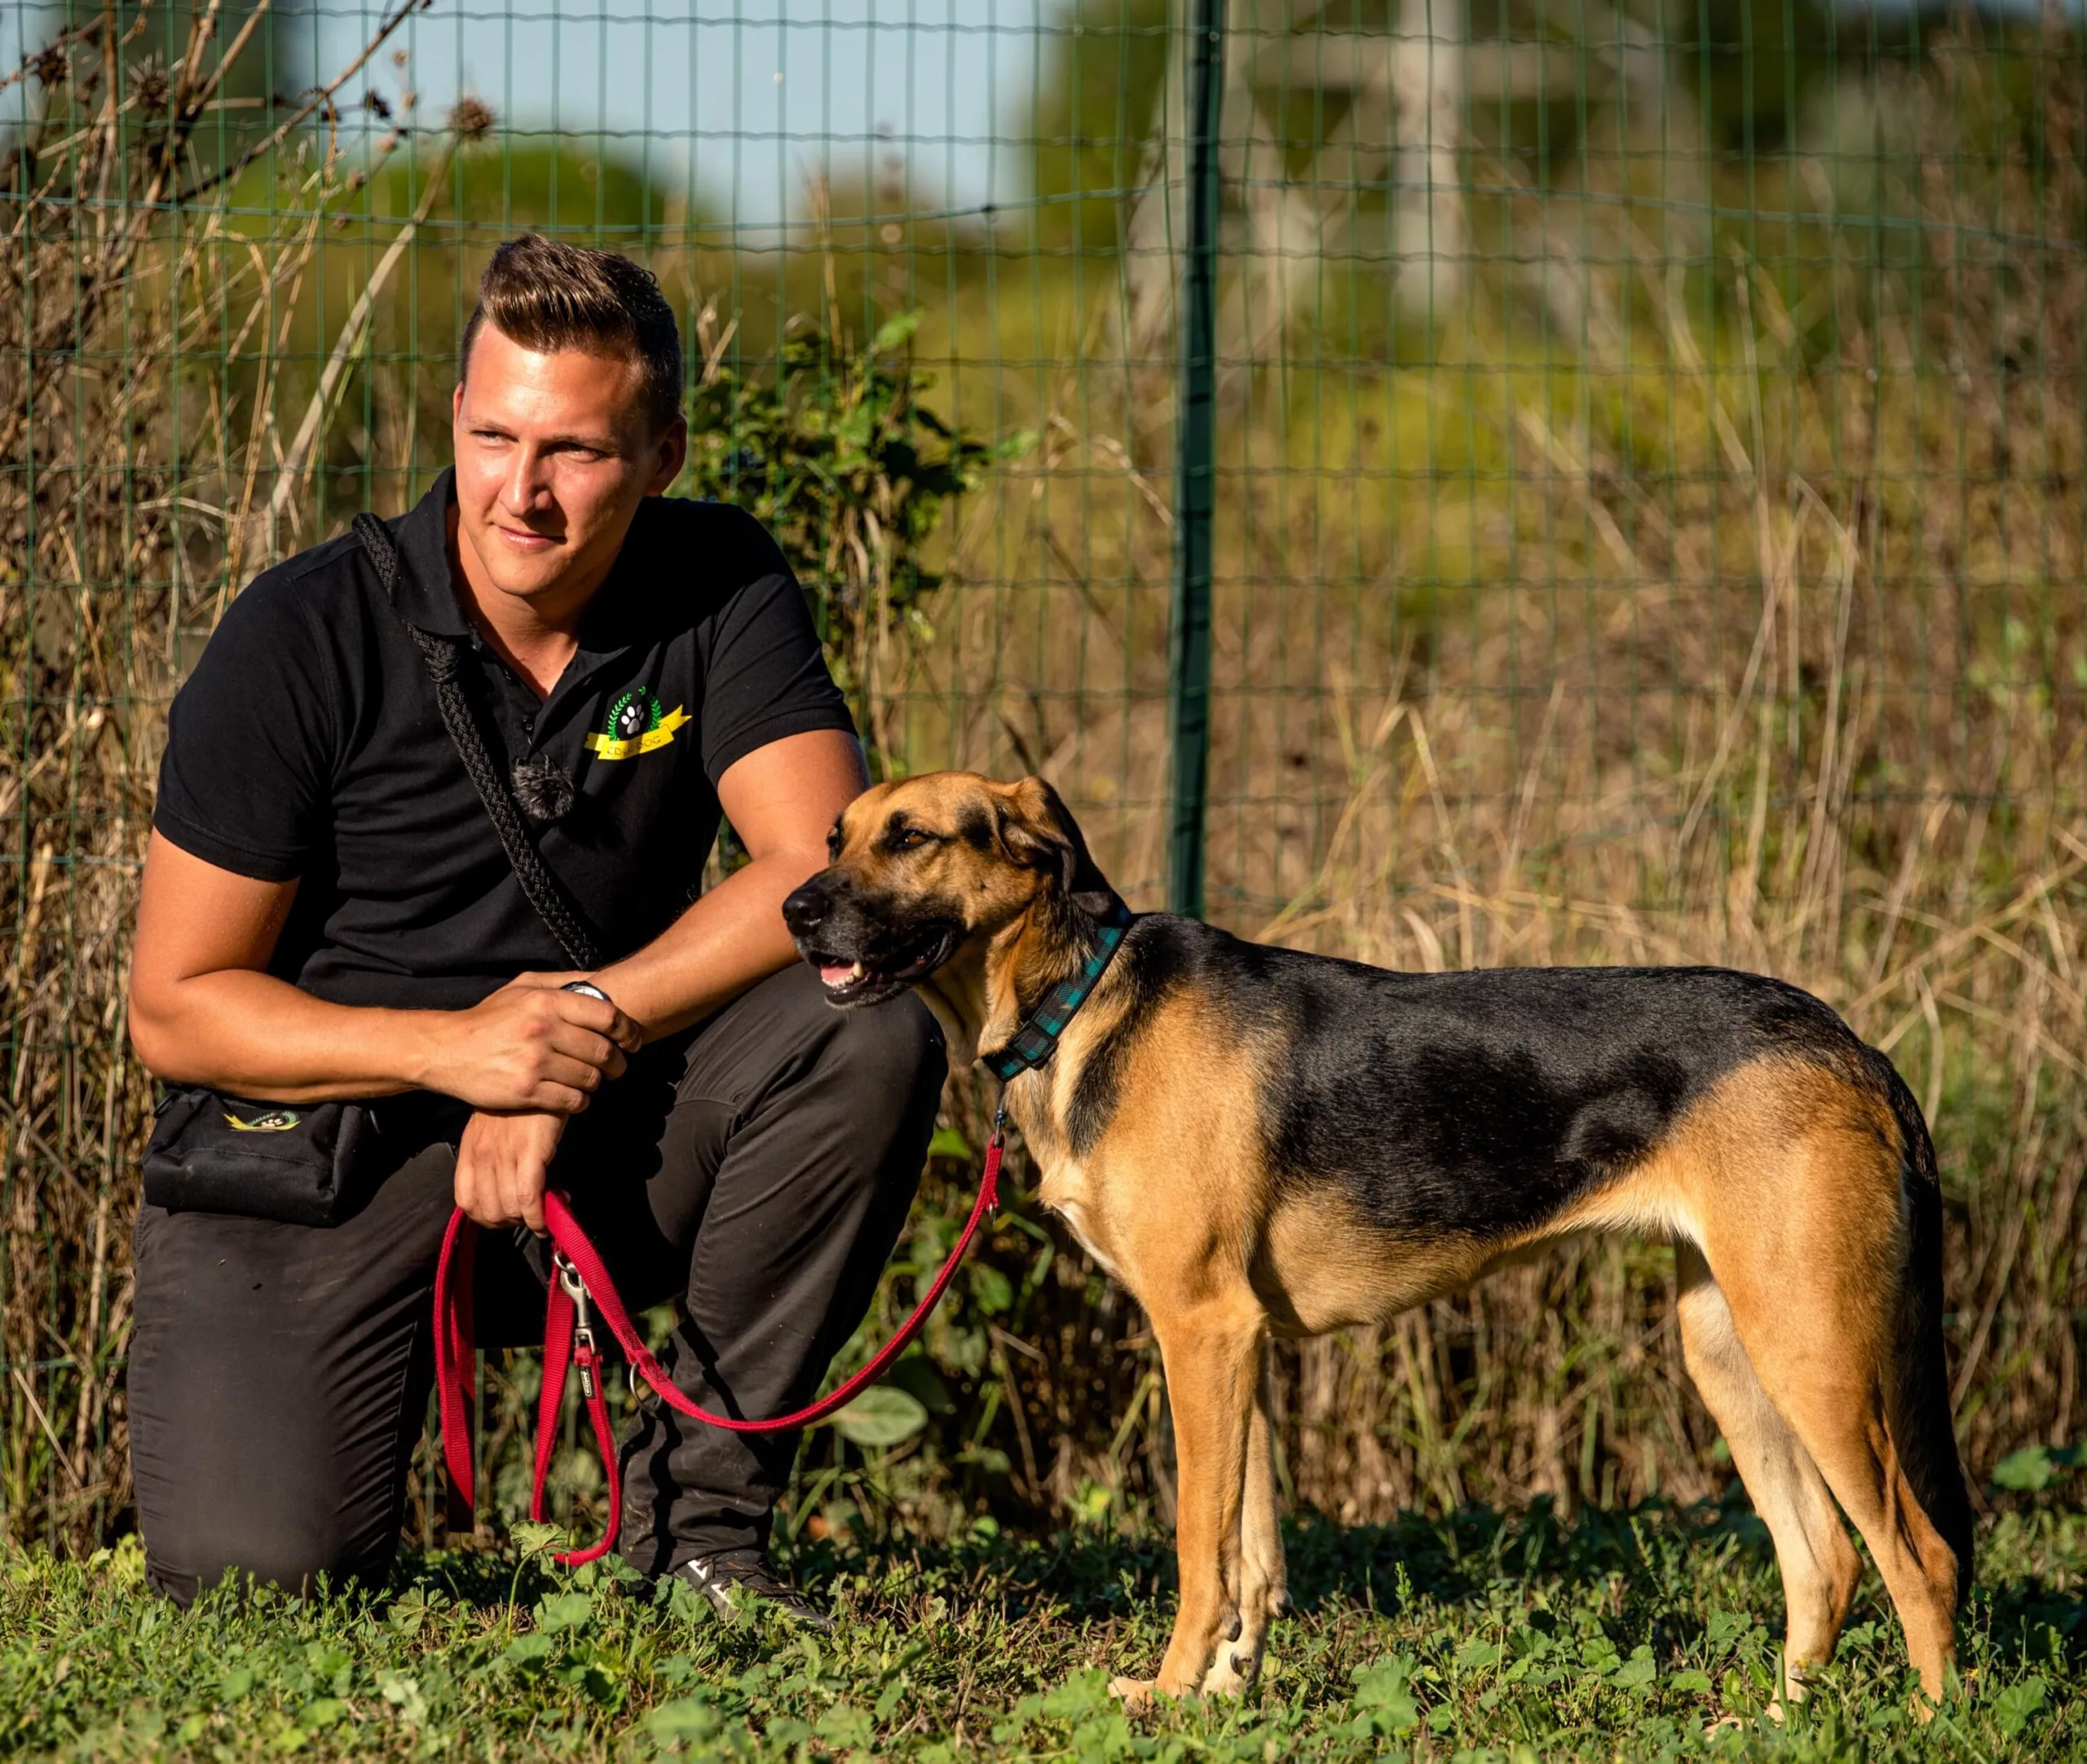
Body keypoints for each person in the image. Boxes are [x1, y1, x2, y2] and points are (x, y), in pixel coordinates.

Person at [125, 234, 945, 1621]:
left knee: (855, 1024)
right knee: (256, 1577)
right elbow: (176, 1006)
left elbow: (822, 858)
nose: (522, 491)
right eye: (495, 433)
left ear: (664, 454)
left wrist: (577, 1031)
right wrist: (457, 1052)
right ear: (453, 416)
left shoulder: (720, 582)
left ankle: (701, 1535)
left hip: (605, 1111)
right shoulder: (300, 632)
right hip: (336, 1140)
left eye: (576, 451)